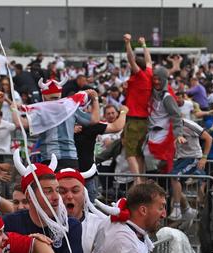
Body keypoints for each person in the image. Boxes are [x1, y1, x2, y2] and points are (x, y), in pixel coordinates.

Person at [74, 104, 127, 202]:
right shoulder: (89, 126)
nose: (111, 115)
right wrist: (123, 111)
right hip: (90, 170)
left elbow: (118, 127)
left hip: (112, 169)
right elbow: (117, 127)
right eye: (108, 113)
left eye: (113, 113)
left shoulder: (91, 126)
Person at [122, 34, 153, 179]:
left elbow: (130, 59)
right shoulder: (149, 74)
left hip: (134, 120)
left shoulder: (139, 76)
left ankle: (137, 181)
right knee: (139, 154)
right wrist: (144, 44)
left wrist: (128, 43)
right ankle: (142, 179)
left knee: (130, 154)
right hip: (145, 121)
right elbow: (148, 60)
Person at [169, 118, 212, 221]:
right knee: (172, 187)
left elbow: (208, 138)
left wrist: (204, 158)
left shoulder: (188, 123)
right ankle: (188, 210)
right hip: (180, 158)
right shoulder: (167, 124)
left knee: (175, 177)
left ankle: (177, 209)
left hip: (193, 157)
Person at [147, 66, 183, 173]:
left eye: (159, 79)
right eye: (155, 79)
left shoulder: (167, 97)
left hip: (163, 133)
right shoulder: (151, 94)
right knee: (146, 155)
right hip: (151, 133)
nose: (156, 82)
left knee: (152, 158)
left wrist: (178, 134)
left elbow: (176, 116)